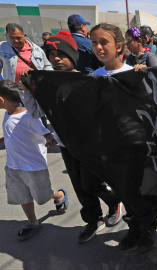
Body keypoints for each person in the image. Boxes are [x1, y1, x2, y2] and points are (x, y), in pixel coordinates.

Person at [20, 30, 123, 244]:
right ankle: (93, 220)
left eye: (61, 53)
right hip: (66, 145)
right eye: (51, 54)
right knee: (79, 186)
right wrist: (27, 91)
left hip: (89, 144)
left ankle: (114, 202)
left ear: (72, 55)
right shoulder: (46, 84)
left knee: (91, 183)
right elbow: (37, 112)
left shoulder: (88, 80)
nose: (56, 58)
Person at [90, 23, 157, 252]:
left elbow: (150, 106)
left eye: (104, 42)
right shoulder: (92, 78)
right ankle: (134, 228)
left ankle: (148, 228)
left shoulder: (132, 74)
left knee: (139, 189)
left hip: (134, 145)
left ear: (119, 46)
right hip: (108, 146)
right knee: (122, 189)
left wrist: (142, 80)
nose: (99, 47)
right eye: (94, 43)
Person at [0, 80, 69, 241]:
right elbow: (11, 135)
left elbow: (46, 133)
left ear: (2, 100)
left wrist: (50, 139)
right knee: (23, 196)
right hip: (13, 166)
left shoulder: (28, 116)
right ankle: (32, 221)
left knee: (43, 194)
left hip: (33, 166)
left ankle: (58, 196)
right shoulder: (7, 115)